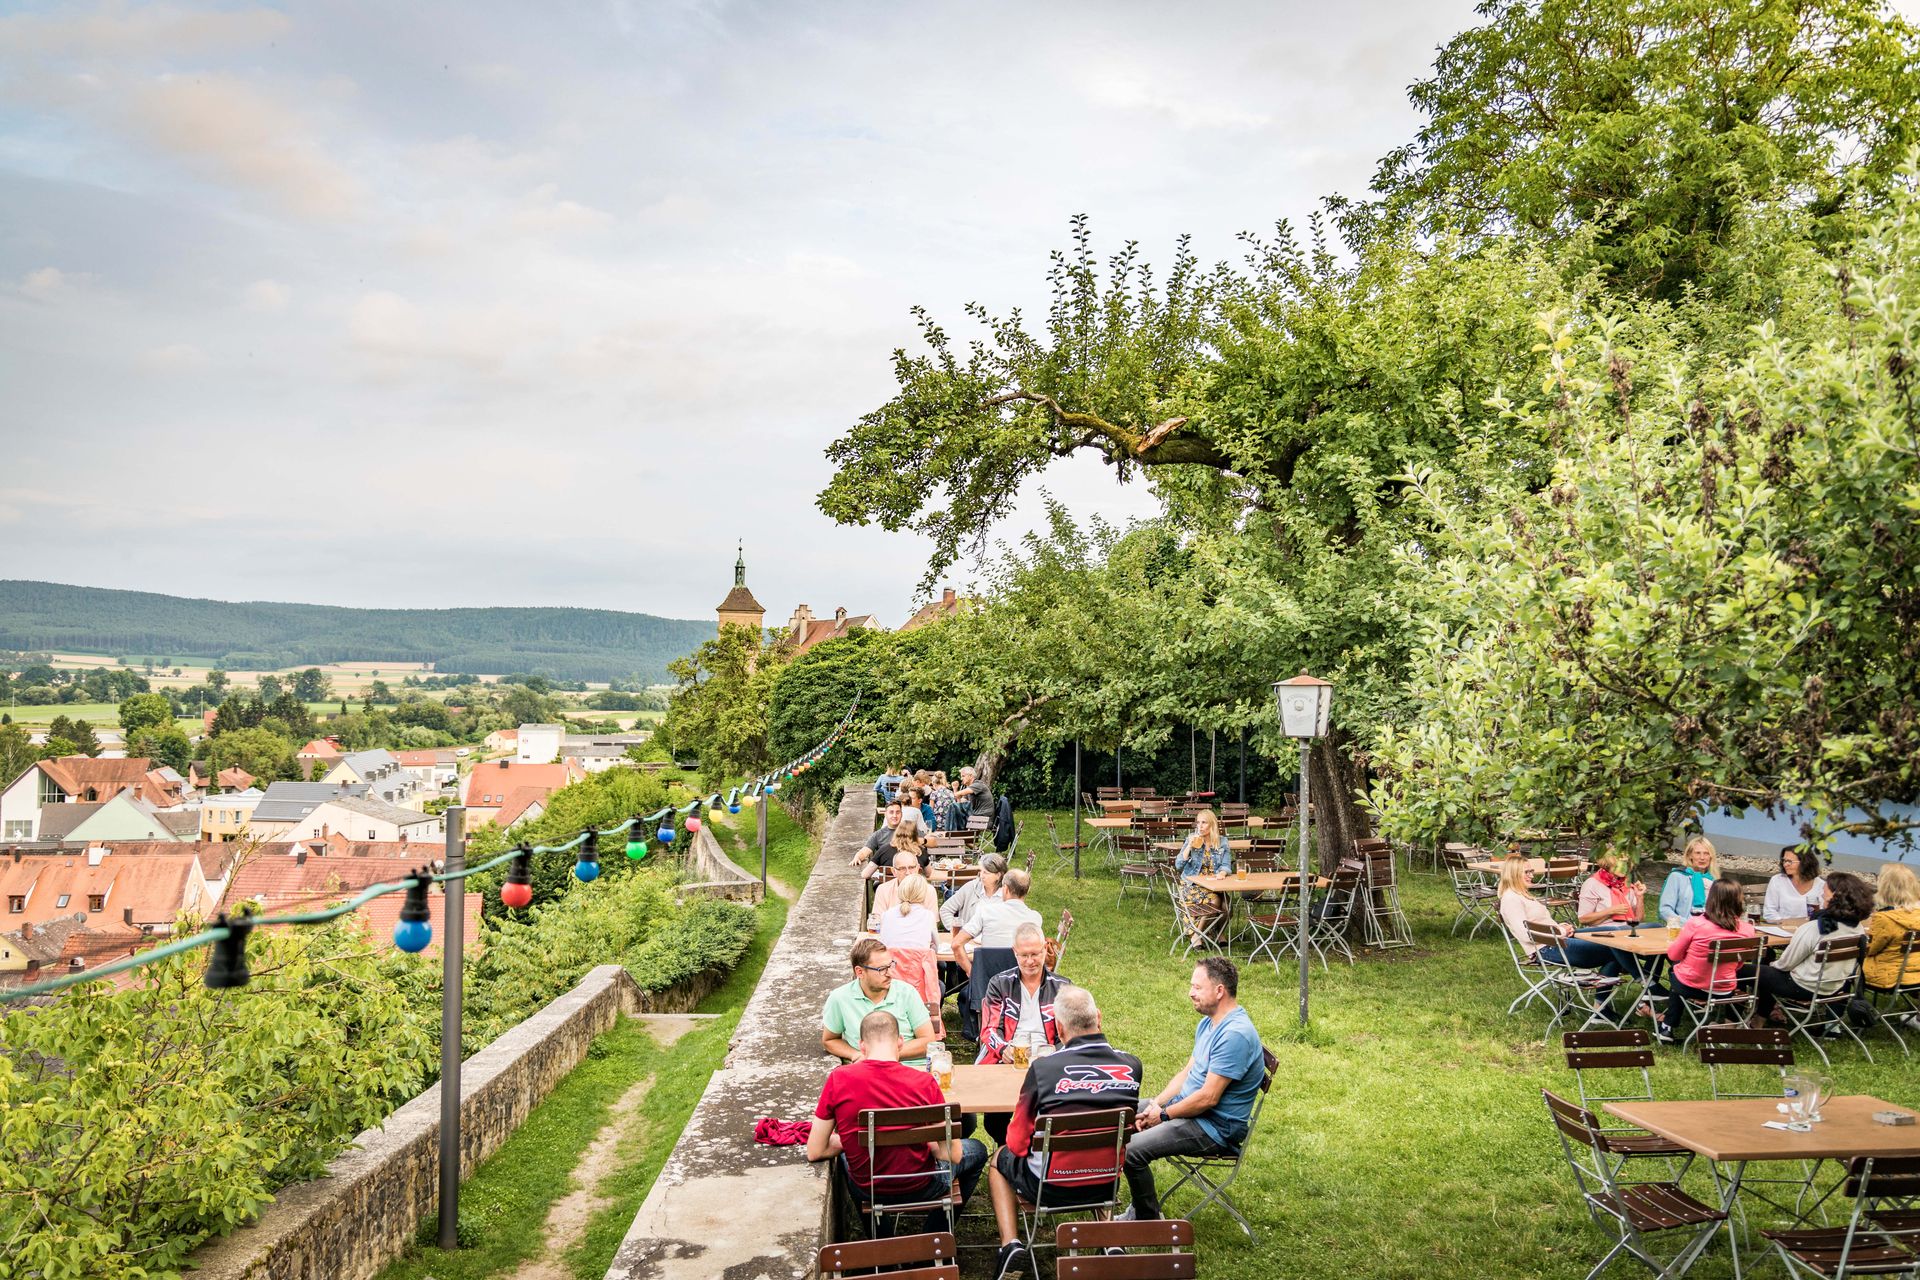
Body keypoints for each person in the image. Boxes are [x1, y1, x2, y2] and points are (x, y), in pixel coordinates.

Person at [984, 985, 1140, 1280]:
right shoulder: (1132, 1066)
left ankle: (1011, 1245)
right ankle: (1109, 1241)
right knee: (1097, 1148)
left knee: (998, 1160)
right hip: (1105, 1182)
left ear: (1058, 1026)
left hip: (1049, 1186)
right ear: (1099, 1018)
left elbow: (1017, 1144)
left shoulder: (1044, 1070)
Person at [808, 1010, 987, 1237]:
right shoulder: (925, 1082)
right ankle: (934, 1235)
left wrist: (853, 1140)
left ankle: (881, 1240)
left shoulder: (838, 1079)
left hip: (868, 1187)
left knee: (846, 1158)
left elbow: (815, 1150)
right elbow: (952, 1155)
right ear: (900, 1042)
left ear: (862, 1046)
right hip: (922, 1184)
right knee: (978, 1150)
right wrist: (929, 1143)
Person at [1120, 958, 1264, 1223]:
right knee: (1119, 1114)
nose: (1190, 992)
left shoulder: (1235, 1035)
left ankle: (1147, 1218)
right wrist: (1157, 1104)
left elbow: (1208, 1098)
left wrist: (1163, 1116)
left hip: (1214, 1127)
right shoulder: (1209, 1024)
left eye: (1197, 987)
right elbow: (1186, 1074)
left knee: (1130, 1150)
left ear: (1219, 991)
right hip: (1192, 1109)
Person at [1753, 870, 1875, 1023]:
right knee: (1767, 973)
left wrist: (1771, 965)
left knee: (1745, 971)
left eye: (1825, 893)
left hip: (1804, 986)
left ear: (1835, 897)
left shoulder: (1816, 927)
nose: (1821, 896)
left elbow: (1785, 965)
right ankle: (1761, 1017)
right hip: (1835, 986)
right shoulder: (1857, 928)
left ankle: (1738, 1019)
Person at [1656, 879, 1757, 1043]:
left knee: (1676, 970)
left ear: (1711, 899)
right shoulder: (1748, 929)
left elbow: (1673, 955)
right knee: (1685, 971)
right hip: (1725, 989)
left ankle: (1668, 1026)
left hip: (1693, 987)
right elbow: (1739, 964)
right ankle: (1730, 1024)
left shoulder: (1696, 924)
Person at [1497, 854, 1622, 974]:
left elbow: (1541, 923)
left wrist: (1560, 927)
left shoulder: (1522, 895)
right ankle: (1640, 978)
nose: (1531, 875)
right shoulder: (1511, 899)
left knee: (1615, 933)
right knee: (1616, 948)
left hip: (1557, 940)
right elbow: (1526, 935)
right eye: (1527, 872)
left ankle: (1606, 994)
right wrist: (1561, 931)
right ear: (1513, 874)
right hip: (1547, 949)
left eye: (1532, 871)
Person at [822, 939, 935, 1067]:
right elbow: (830, 1040)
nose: (890, 973)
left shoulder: (907, 992)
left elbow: (928, 1041)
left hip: (909, 1068)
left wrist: (883, 1057)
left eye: (891, 965)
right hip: (865, 1071)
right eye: (882, 969)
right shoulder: (840, 998)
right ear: (860, 972)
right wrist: (855, 1054)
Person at [878, 874, 942, 1037]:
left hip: (892, 978)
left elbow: (884, 944)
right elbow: (936, 946)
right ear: (923, 894)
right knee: (941, 984)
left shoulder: (887, 915)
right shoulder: (927, 916)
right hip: (919, 984)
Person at [952, 867, 1041, 976]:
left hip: (988, 985)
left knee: (964, 993)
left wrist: (972, 973)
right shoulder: (1035, 919)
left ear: (1006, 889)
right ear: (1028, 890)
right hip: (1021, 985)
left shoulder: (986, 912)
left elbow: (956, 944)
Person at [1172, 809, 1232, 947]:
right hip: (1192, 885)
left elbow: (1226, 865)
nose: (1200, 826)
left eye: (1204, 823)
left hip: (1213, 884)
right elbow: (1178, 865)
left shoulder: (1222, 842)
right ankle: (1197, 935)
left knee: (1227, 905)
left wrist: (1222, 873)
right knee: (1215, 899)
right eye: (1198, 823)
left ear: (1212, 825)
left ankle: (1218, 932)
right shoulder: (1192, 839)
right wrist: (1189, 847)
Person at [1863, 864, 1920, 1004]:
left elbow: (1870, 950)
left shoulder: (1885, 919)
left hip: (1887, 977)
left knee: (1848, 965)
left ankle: (1845, 1013)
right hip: (1916, 974)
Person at [1658, 836, 1719, 926]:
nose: (1702, 857)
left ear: (1711, 857)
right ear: (1690, 855)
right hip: (1681, 929)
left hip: (1708, 931)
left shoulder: (1714, 881)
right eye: (1697, 853)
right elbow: (1665, 910)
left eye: (1706, 853)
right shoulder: (1677, 876)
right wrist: (1688, 925)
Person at [1577, 849, 1646, 928]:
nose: (1624, 868)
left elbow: (1639, 921)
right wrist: (1610, 911)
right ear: (1608, 865)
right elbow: (1583, 919)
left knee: (1656, 926)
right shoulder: (1592, 884)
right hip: (1603, 932)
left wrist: (1639, 897)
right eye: (1619, 865)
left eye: (1627, 865)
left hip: (1627, 930)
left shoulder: (1627, 883)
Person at [941, 853, 1006, 932]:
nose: (981, 876)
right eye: (981, 871)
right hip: (969, 942)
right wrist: (958, 932)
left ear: (998, 875)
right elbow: (945, 909)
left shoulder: (1008, 894)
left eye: (986, 873)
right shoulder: (971, 887)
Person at [1763, 847, 1829, 923]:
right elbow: (1769, 912)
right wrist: (1788, 924)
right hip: (1782, 929)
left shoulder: (1821, 885)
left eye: (1789, 861)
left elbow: (1824, 914)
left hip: (1810, 930)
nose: (1785, 864)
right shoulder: (1777, 880)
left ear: (1805, 862)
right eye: (1784, 860)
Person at [869, 850, 923, 928]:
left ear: (918, 868)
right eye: (902, 868)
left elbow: (932, 926)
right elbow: (877, 921)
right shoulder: (883, 890)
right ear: (893, 871)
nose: (908, 872)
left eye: (911, 867)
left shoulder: (929, 891)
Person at [852, 802, 902, 867]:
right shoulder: (878, 835)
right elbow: (865, 851)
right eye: (891, 812)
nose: (895, 816)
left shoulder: (911, 831)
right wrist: (857, 857)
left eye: (898, 812)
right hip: (886, 873)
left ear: (901, 814)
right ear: (885, 814)